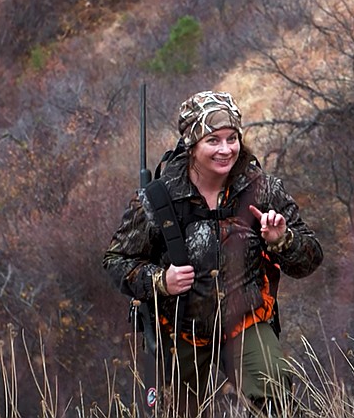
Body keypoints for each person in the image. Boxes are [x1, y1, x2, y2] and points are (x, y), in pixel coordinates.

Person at [104, 90, 323, 416]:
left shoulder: (262, 189)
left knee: (277, 402)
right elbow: (116, 261)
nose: (225, 150)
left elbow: (310, 259)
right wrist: (160, 281)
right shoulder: (158, 198)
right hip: (181, 330)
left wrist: (282, 239)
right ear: (192, 144)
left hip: (246, 320)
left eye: (232, 138)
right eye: (213, 140)